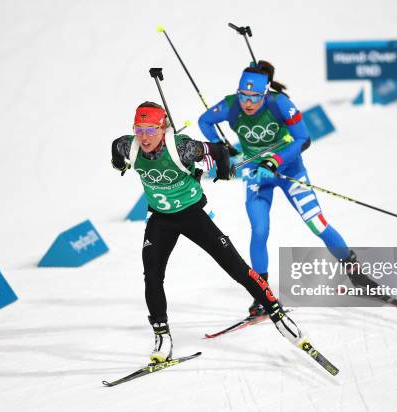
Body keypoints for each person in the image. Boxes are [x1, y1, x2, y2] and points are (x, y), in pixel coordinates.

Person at [112, 101, 307, 364]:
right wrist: (118, 164)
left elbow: (217, 150)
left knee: (237, 268)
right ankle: (162, 336)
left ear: (163, 128)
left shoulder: (181, 147)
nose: (144, 137)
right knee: (152, 276)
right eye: (139, 129)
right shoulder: (129, 145)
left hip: (193, 216)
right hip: (161, 220)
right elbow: (116, 146)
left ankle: (277, 315)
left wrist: (224, 169)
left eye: (150, 130)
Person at [198, 61, 370, 316]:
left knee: (317, 224)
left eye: (254, 97)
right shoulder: (232, 104)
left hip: (289, 170)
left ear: (265, 92)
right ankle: (262, 293)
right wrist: (221, 145)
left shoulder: (280, 104)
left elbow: (304, 138)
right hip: (258, 174)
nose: (247, 102)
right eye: (244, 95)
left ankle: (355, 274)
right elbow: (205, 121)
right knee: (259, 231)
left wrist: (275, 160)